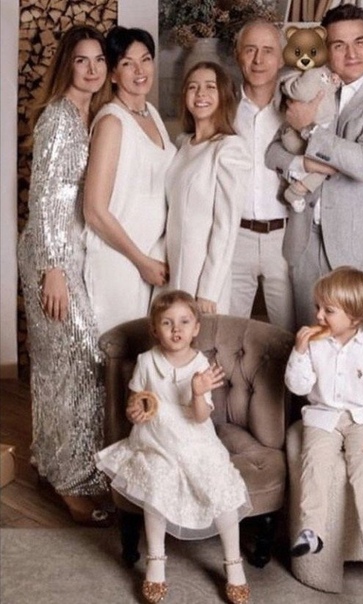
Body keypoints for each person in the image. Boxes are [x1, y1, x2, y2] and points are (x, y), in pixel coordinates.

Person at [96, 290, 251, 604]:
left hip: (194, 436)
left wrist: (198, 392)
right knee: (157, 481)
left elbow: (200, 416)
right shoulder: (146, 361)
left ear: (196, 328)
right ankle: (156, 560)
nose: (176, 329)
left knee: (220, 483)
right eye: (167, 323)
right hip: (156, 436)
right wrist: (135, 411)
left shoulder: (201, 364)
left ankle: (233, 562)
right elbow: (136, 404)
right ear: (155, 329)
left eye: (184, 322)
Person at [266, 4, 363, 335]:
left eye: (359, 42)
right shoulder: (314, 84)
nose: (351, 54)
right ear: (326, 49)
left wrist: (309, 129)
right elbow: (273, 151)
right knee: (308, 345)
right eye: (339, 45)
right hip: (306, 243)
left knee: (361, 351)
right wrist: (301, 164)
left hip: (360, 246)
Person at [17, 25, 112, 526]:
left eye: (99, 59)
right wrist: (52, 268)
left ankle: (48, 459)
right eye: (81, 60)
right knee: (78, 355)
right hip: (50, 254)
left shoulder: (93, 115)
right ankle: (72, 482)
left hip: (75, 250)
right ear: (66, 65)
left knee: (58, 363)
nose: (92, 69)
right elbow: (43, 198)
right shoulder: (58, 116)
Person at [285, 266, 363, 570]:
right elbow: (299, 387)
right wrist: (299, 352)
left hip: (361, 419)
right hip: (323, 417)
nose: (319, 316)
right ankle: (311, 531)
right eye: (318, 307)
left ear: (355, 317)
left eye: (329, 310)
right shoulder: (313, 344)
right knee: (315, 462)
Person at [83, 27, 176, 334]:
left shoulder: (151, 114)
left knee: (145, 351)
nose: (140, 70)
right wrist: (140, 261)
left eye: (145, 59)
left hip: (150, 259)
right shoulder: (112, 121)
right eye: (127, 63)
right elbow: (94, 211)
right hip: (119, 261)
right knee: (116, 349)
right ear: (112, 74)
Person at [165, 61, 251, 315]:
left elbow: (226, 225)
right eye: (193, 87)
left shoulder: (229, 148)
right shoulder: (183, 145)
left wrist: (209, 290)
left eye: (210, 87)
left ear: (223, 95)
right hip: (172, 268)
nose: (200, 93)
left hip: (202, 274)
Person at [230, 19, 296, 332]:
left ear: (282, 58)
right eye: (250, 50)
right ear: (237, 55)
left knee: (289, 334)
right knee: (229, 332)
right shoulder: (223, 108)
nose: (258, 59)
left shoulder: (296, 110)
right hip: (234, 237)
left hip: (284, 238)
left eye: (268, 50)